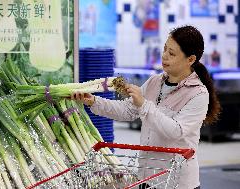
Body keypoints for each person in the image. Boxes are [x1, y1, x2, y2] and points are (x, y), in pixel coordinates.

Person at [71, 25, 221, 189]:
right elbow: (127, 111)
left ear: (191, 59)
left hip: (177, 182)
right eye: (164, 49)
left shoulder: (198, 94)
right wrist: (93, 101)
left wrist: (144, 104)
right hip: (147, 178)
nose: (164, 56)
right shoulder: (154, 82)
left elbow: (175, 131)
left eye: (171, 53)